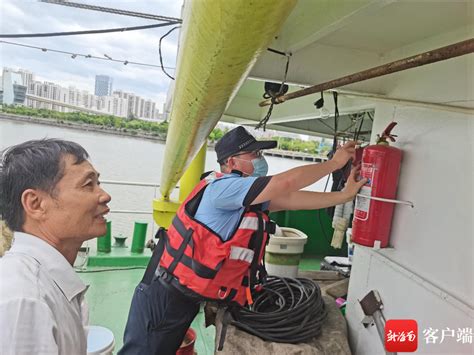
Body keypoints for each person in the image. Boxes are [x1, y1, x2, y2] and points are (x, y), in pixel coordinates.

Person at [119, 126, 366, 355]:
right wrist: (334, 164)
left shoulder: (243, 195)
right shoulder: (225, 188)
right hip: (164, 297)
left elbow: (290, 197)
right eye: (254, 153)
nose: (260, 159)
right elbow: (286, 182)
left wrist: (344, 196)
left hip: (183, 296)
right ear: (231, 162)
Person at [0, 139, 111, 354]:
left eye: (98, 182)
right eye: (88, 185)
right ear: (35, 204)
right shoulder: (26, 301)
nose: (104, 195)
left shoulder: (43, 283)